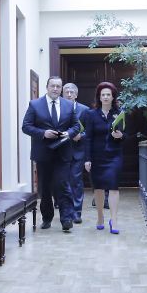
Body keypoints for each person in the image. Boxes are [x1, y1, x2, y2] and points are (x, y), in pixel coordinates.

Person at [22, 76, 80, 232]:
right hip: (43, 153)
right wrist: (43, 133)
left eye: (58, 86)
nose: (55, 89)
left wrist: (68, 133)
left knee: (63, 185)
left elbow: (76, 126)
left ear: (61, 89)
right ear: (47, 87)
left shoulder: (69, 105)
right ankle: (47, 218)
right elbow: (26, 126)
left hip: (63, 152)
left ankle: (66, 219)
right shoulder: (35, 105)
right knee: (45, 187)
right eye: (52, 86)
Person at [82, 81, 125, 233]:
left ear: (113, 97)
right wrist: (87, 159)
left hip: (114, 156)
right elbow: (88, 138)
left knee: (113, 187)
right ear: (99, 97)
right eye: (103, 95)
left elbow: (126, 134)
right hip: (96, 157)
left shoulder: (119, 114)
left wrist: (120, 136)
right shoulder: (91, 114)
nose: (106, 97)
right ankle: (100, 216)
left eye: (108, 94)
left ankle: (114, 220)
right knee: (98, 188)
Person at [63, 82, 90, 224]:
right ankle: (66, 212)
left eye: (71, 92)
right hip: (61, 151)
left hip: (77, 151)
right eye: (66, 92)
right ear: (62, 94)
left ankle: (76, 212)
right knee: (63, 182)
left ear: (76, 94)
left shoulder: (84, 110)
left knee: (76, 181)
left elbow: (90, 131)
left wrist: (81, 136)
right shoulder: (58, 109)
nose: (69, 94)